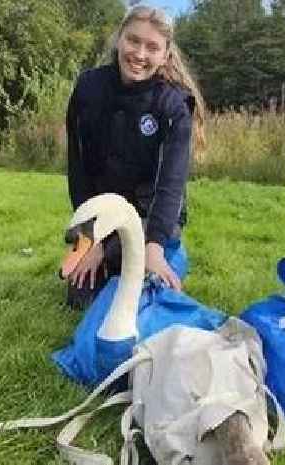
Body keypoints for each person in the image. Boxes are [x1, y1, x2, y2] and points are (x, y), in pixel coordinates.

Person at [64, 6, 206, 307]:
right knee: (80, 299)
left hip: (149, 218)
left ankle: (170, 251)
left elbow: (172, 186)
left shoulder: (173, 106)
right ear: (119, 39)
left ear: (165, 54)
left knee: (147, 294)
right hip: (103, 218)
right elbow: (78, 172)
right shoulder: (87, 89)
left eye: (152, 47)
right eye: (133, 41)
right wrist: (91, 239)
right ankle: (108, 254)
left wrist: (153, 247)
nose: (139, 54)